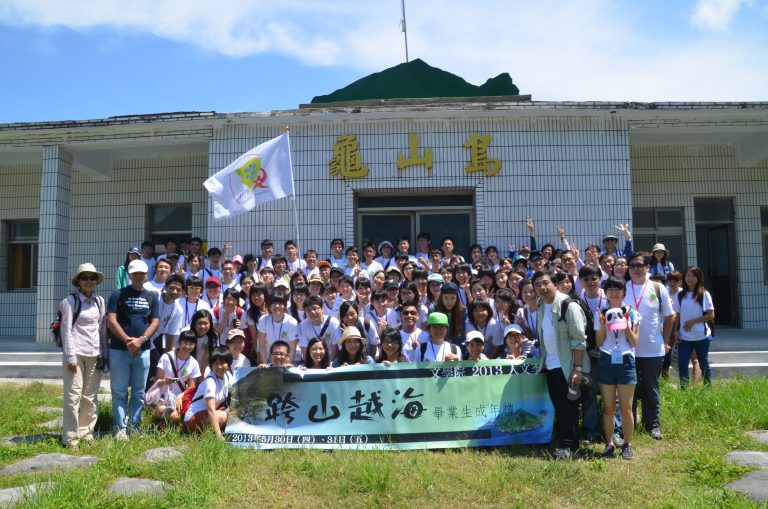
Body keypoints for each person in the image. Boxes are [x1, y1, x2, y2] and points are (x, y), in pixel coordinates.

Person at [532, 269, 590, 459]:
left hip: (568, 366)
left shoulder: (568, 305)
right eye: (538, 284)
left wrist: (578, 369)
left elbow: (579, 340)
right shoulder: (541, 304)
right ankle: (564, 442)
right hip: (550, 365)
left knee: (568, 408)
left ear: (555, 284)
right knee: (559, 406)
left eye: (546, 283)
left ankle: (570, 448)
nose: (542, 287)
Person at [106, 259, 160, 441]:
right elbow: (111, 321)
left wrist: (142, 340)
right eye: (135, 273)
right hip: (119, 350)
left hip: (143, 351)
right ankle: (119, 428)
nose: (138, 276)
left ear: (147, 275)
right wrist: (127, 340)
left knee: (138, 391)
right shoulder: (118, 294)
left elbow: (155, 321)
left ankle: (135, 427)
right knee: (119, 391)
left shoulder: (152, 296)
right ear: (129, 275)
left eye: (142, 273)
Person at [625, 252, 674, 441]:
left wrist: (665, 340)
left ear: (647, 267)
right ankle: (631, 423)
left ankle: (653, 425)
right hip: (628, 349)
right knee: (630, 389)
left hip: (653, 348)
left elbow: (669, 316)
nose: (635, 269)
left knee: (651, 388)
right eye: (632, 266)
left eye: (639, 265)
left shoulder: (657, 287)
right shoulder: (623, 287)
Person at [59, 263, 107, 450]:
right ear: (78, 281)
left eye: (92, 277)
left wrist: (104, 352)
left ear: (96, 281)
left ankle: (86, 432)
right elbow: (66, 332)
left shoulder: (99, 301)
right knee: (72, 396)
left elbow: (101, 329)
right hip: (76, 353)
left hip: (95, 353)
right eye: (84, 277)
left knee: (90, 396)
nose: (88, 281)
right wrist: (70, 357)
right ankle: (70, 438)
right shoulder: (69, 301)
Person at [595, 277, 640, 460]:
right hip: (606, 359)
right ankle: (609, 444)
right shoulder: (601, 312)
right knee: (608, 407)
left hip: (626, 361)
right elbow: (598, 343)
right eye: (610, 290)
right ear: (605, 293)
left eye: (618, 289)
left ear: (623, 292)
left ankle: (627, 444)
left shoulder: (633, 313)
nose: (614, 293)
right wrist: (604, 324)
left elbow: (634, 341)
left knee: (626, 408)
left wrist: (626, 324)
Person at [673, 266, 715, 388]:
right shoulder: (680, 295)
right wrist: (676, 331)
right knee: (682, 363)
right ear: (684, 278)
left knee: (703, 363)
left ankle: (708, 388)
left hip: (701, 335)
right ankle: (684, 390)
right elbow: (678, 315)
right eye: (688, 275)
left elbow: (711, 315)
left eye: (693, 276)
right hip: (684, 336)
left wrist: (693, 322)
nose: (690, 279)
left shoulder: (704, 294)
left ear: (699, 278)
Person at [183, 346, 232, 439]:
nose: (219, 367)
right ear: (211, 365)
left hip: (207, 415)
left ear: (228, 364)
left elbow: (240, 389)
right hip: (193, 419)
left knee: (234, 413)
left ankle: (206, 434)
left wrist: (260, 369)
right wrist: (219, 437)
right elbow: (211, 410)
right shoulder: (210, 382)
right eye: (216, 364)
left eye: (222, 363)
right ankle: (209, 435)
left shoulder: (227, 376)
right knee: (226, 416)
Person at [153, 330, 200, 425]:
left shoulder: (193, 363)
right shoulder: (166, 357)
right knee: (160, 410)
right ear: (179, 343)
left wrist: (181, 396)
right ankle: (165, 423)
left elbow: (191, 387)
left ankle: (166, 423)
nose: (187, 346)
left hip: (178, 397)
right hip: (163, 395)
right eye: (185, 343)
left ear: (195, 345)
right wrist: (165, 381)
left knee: (174, 416)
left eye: (191, 343)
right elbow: (157, 381)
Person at [257, 294, 300, 365]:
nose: (277, 306)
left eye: (280, 303)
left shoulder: (292, 322)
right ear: (269, 306)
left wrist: (288, 364)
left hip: (286, 360)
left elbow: (292, 348)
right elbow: (262, 344)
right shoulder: (263, 320)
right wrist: (265, 363)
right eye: (274, 303)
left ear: (285, 306)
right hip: (269, 359)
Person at [299, 296, 340, 361]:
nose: (312, 312)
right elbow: (304, 350)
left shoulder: (334, 323)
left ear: (322, 309)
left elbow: (336, 347)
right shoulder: (302, 325)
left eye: (314, 308)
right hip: (312, 362)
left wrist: (330, 364)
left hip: (330, 361)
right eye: (308, 310)